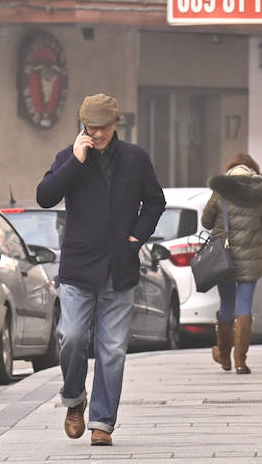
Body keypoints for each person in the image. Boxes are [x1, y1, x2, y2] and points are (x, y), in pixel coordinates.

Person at [36, 93, 165, 448]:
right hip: (78, 269)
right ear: (83, 127)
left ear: (114, 125)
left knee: (112, 350)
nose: (98, 134)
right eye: (91, 128)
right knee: (73, 338)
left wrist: (137, 236)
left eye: (103, 128)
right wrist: (75, 162)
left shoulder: (135, 159)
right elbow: (45, 196)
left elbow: (156, 201)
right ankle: (75, 398)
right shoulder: (69, 157)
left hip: (119, 269)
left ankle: (102, 422)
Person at [201, 154, 262, 374]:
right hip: (251, 258)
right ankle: (241, 361)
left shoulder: (221, 191)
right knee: (244, 305)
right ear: (254, 170)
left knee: (227, 303)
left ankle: (224, 356)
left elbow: (206, 221)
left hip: (223, 258)